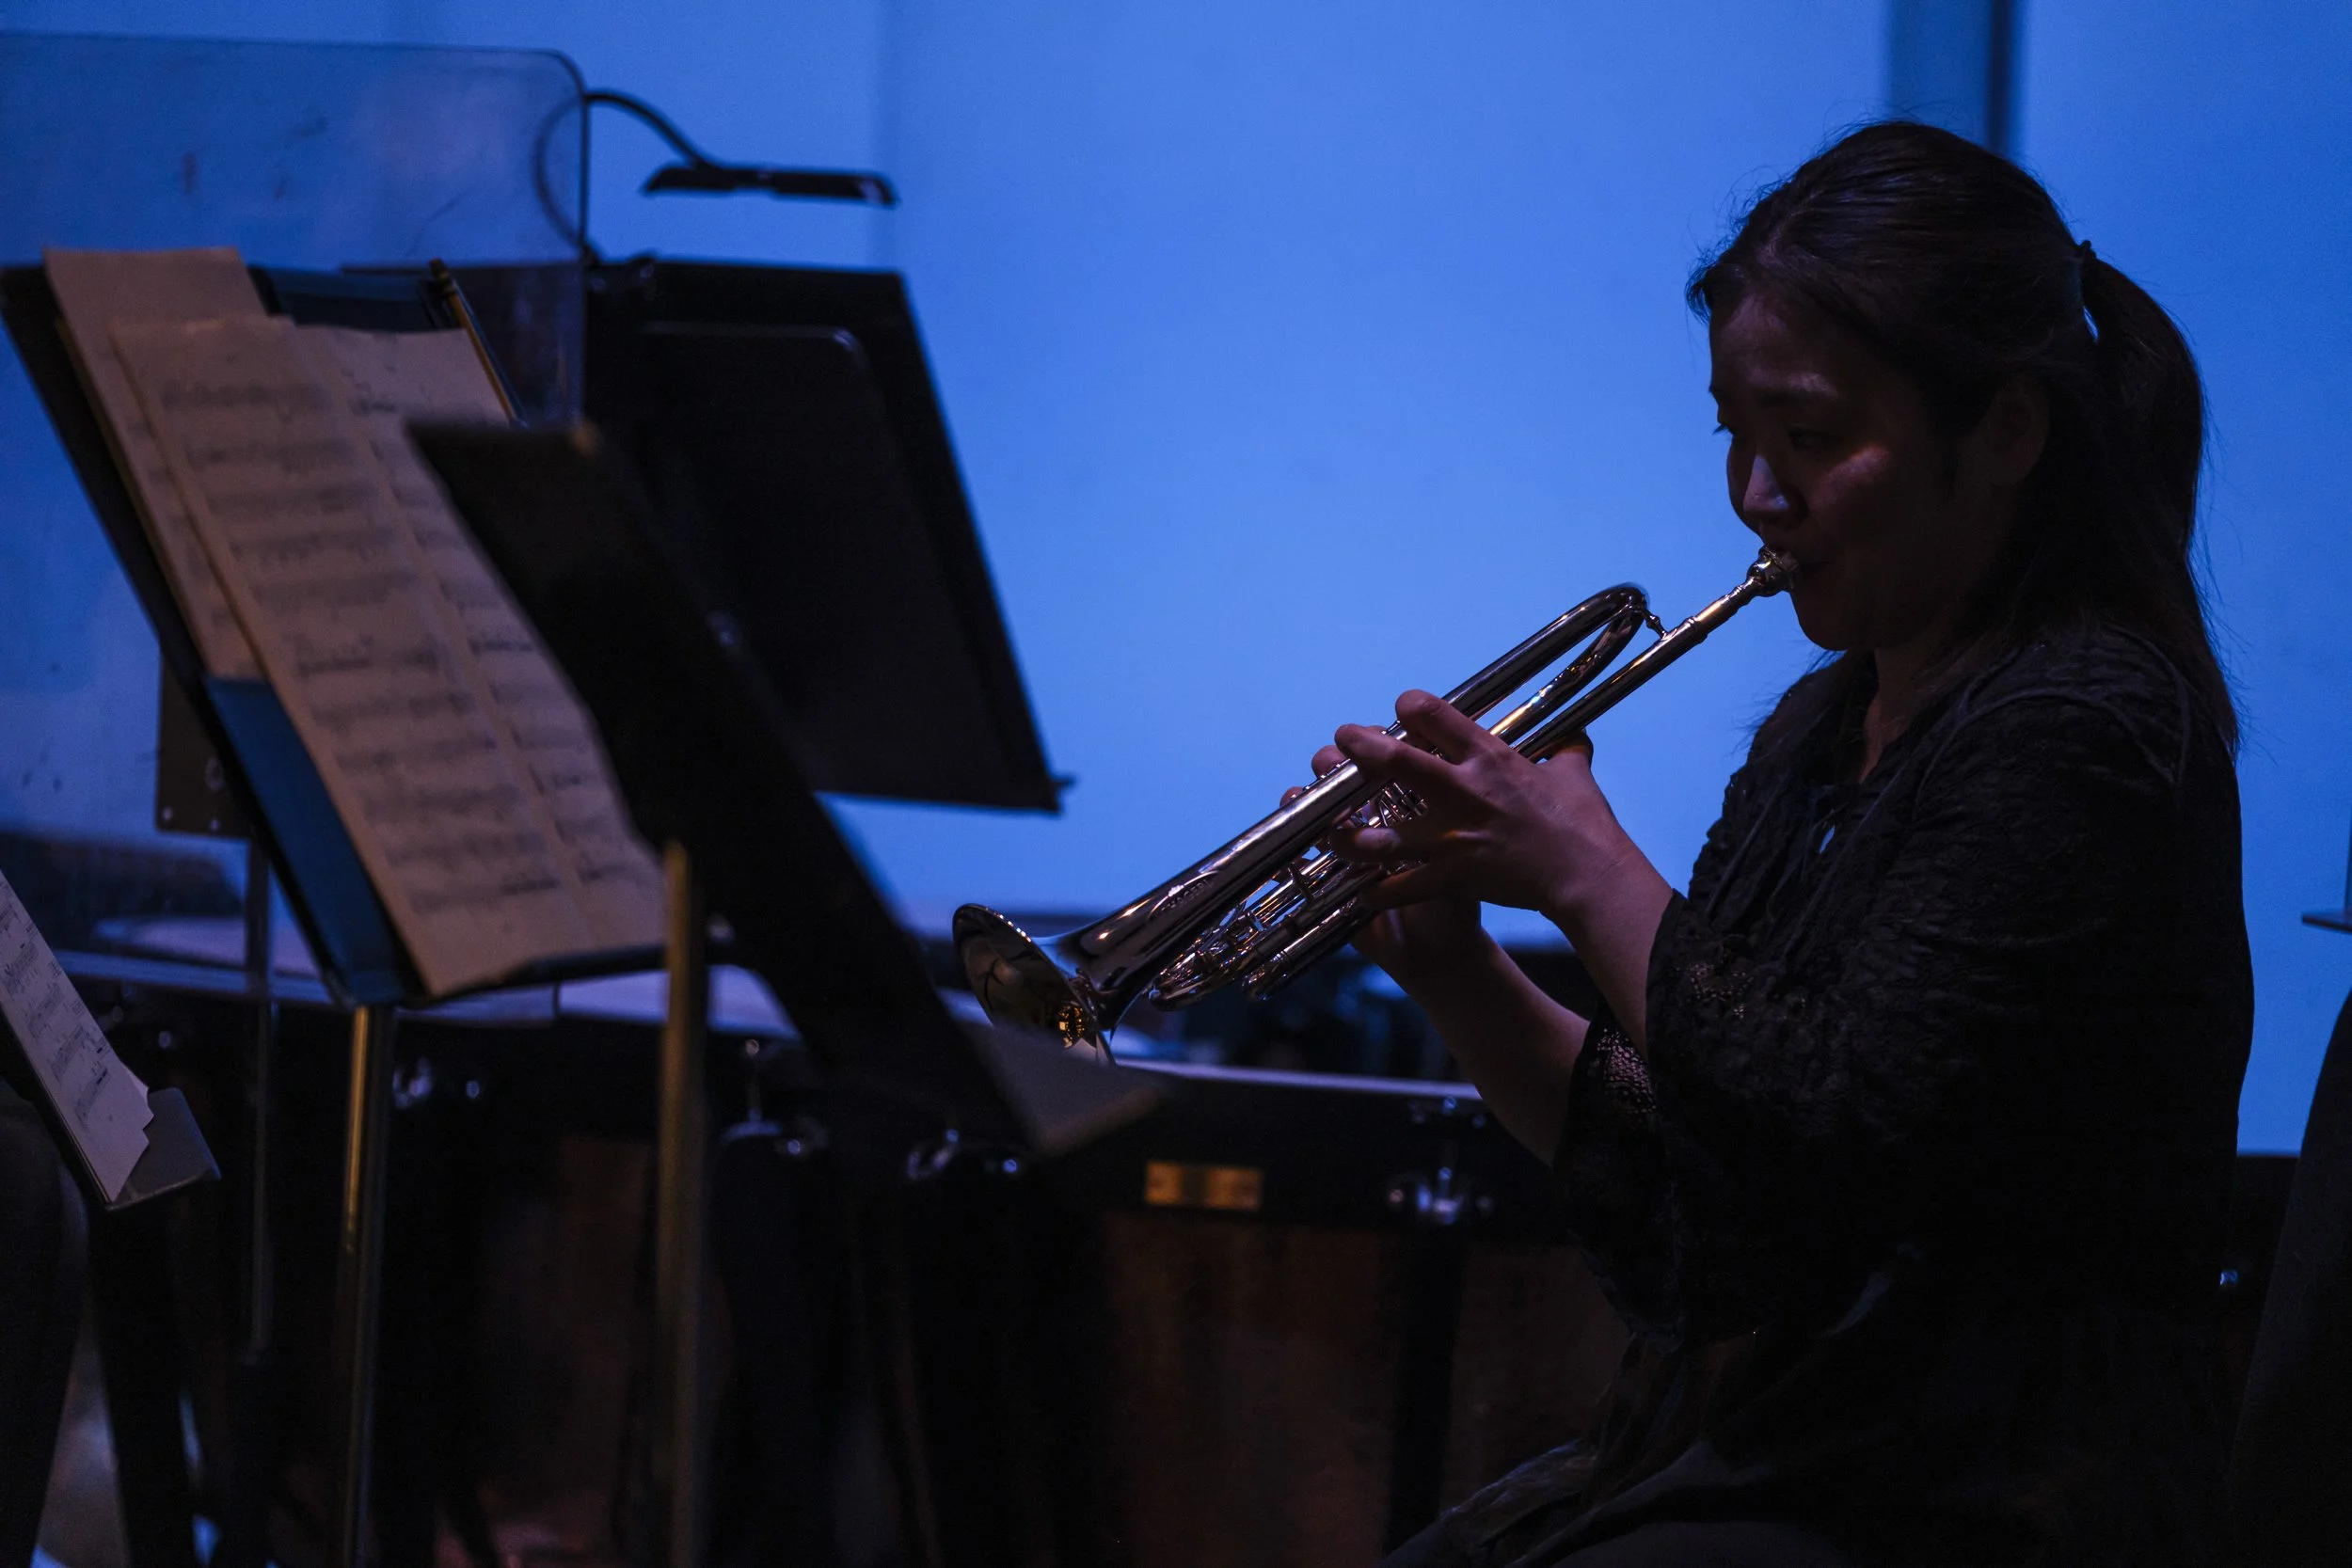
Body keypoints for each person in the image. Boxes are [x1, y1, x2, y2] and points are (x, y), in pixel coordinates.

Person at [1312, 120, 2253, 1567]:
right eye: (1734, 436)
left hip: (1996, 1487)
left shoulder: (2086, 722)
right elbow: (1709, 1236)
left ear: (2005, 430)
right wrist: (1448, 962)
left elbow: (1839, 1123)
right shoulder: (1821, 728)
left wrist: (1581, 868)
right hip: (1792, 1445)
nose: (1757, 493)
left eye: (1811, 437)